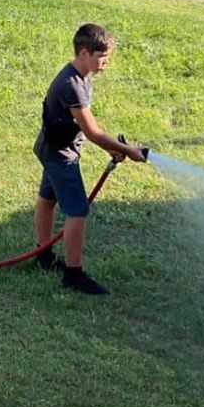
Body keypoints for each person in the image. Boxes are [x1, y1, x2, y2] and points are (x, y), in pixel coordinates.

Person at [33, 23, 146, 295]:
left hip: (53, 148)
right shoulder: (71, 84)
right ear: (84, 53)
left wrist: (113, 148)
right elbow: (93, 132)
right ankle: (73, 275)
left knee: (48, 200)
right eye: (101, 57)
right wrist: (130, 151)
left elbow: (86, 127)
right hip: (60, 155)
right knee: (78, 211)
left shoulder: (82, 77)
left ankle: (44, 256)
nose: (105, 63)